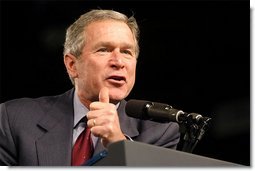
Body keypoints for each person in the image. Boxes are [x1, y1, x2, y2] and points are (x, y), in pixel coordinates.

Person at [0, 9, 180, 166]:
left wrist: (119, 146)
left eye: (126, 52)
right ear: (72, 65)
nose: (118, 62)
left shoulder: (160, 131)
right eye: (104, 50)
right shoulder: (13, 118)